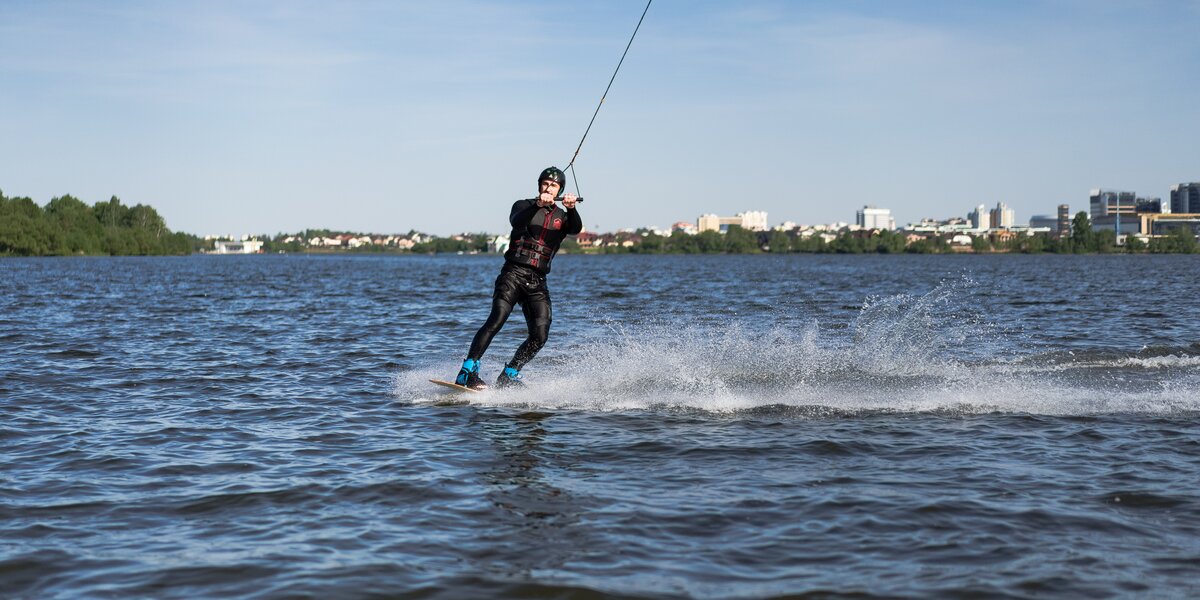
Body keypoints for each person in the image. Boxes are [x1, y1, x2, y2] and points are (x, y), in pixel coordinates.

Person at [454, 166, 582, 389]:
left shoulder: (563, 216)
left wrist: (571, 209)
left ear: (560, 189)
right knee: (496, 320)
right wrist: (538, 204)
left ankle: (509, 375)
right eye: (545, 184)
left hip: (537, 282)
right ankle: (467, 371)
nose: (549, 188)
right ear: (539, 186)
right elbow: (516, 220)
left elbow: (575, 229)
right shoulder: (523, 206)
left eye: (554, 185)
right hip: (512, 274)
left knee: (540, 335)